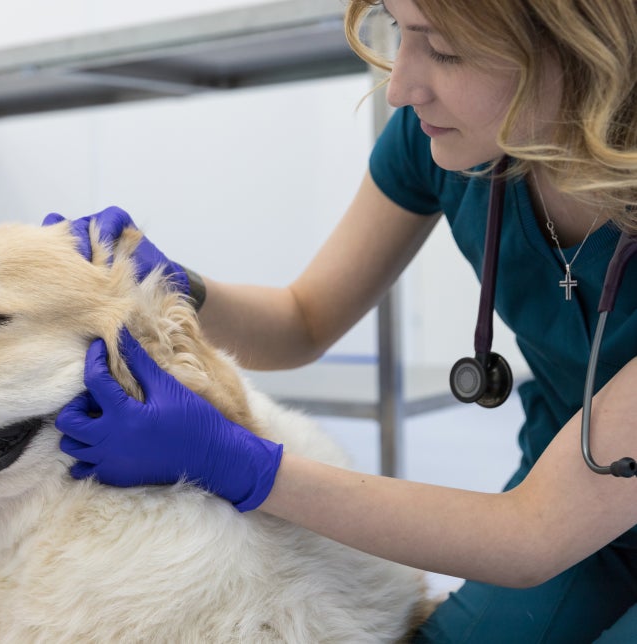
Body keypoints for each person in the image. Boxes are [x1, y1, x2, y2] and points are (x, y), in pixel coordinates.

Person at [45, 0, 637, 641]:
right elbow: (304, 320)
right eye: (400, 32)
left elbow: (531, 534)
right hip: (572, 491)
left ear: (579, 50)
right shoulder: (443, 141)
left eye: (443, 49)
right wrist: (173, 285)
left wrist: (236, 462)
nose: (402, 86)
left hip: (548, 517)